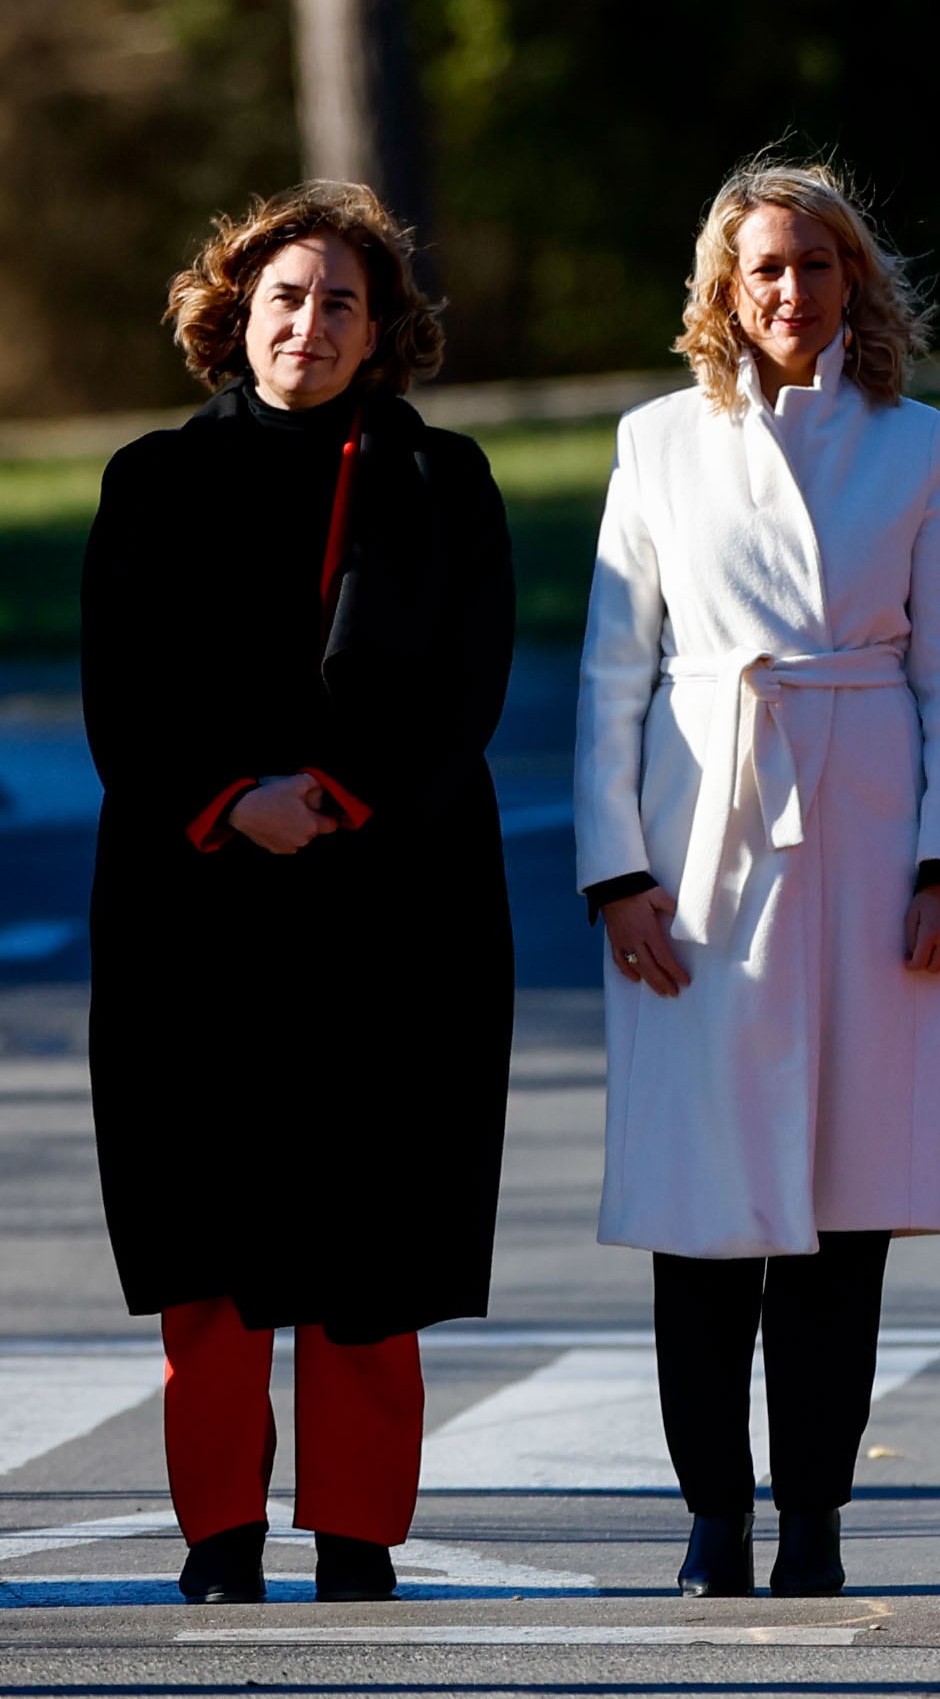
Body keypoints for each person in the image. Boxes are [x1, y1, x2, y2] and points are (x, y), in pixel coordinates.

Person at [83, 183, 516, 1604]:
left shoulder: (442, 480)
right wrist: (232, 803)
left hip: (393, 904)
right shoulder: (150, 478)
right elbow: (120, 696)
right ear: (234, 314)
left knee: (367, 1247)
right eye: (286, 297)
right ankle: (218, 1534)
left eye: (342, 302)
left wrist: (330, 797)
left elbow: (468, 687)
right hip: (193, 913)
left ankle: (356, 1533)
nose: (310, 325)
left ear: (383, 330)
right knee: (208, 1246)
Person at [572, 159, 940, 1598]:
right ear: (723, 289)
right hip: (706, 842)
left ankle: (812, 1513)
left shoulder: (915, 444)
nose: (791, 292)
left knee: (841, 1203)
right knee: (707, 1202)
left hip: (871, 834)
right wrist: (616, 871)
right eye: (765, 268)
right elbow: (611, 674)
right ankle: (712, 1514)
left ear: (851, 284)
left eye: (816, 266)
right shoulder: (656, 444)